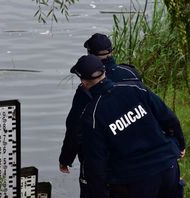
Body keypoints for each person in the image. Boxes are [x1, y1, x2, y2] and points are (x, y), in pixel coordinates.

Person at [70, 54, 186, 198]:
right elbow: (169, 118)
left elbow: (95, 166)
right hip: (168, 167)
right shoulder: (136, 88)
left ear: (84, 83)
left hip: (136, 180)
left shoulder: (92, 115)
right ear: (104, 72)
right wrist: (180, 144)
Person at [59, 33, 142, 197]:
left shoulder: (87, 87)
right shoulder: (131, 73)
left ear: (89, 54)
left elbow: (75, 127)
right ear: (113, 51)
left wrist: (66, 158)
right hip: (132, 153)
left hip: (98, 155)